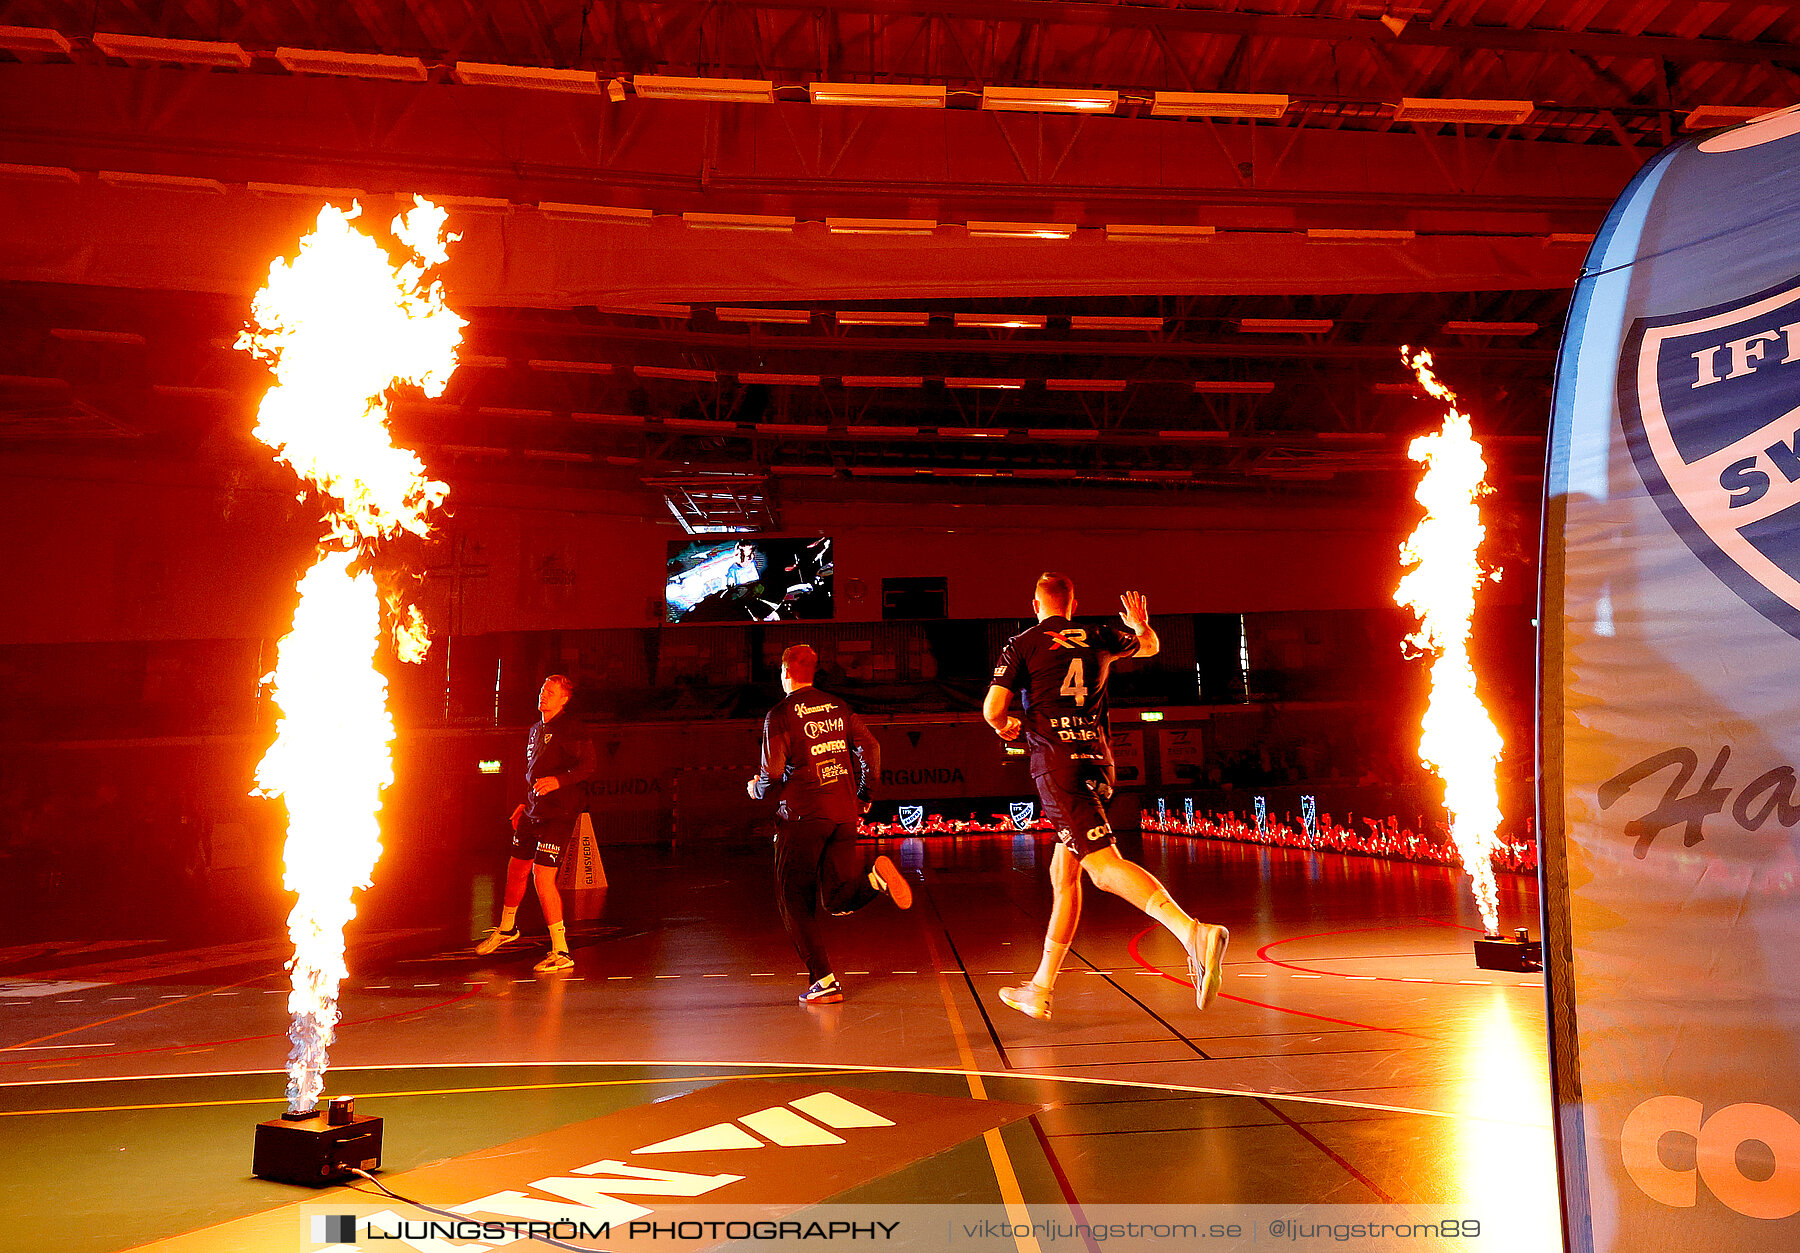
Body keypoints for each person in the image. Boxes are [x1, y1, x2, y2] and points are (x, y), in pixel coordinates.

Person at [984, 573, 1229, 1020]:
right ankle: (1040, 986)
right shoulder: (1101, 634)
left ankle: (1191, 932)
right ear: (1073, 603)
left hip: (1059, 766)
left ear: (1036, 604)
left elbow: (993, 709)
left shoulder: (1022, 643)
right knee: (1066, 877)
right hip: (1098, 761)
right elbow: (1152, 647)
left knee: (1101, 868)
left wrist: (1006, 728)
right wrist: (1141, 625)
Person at [748, 643, 911, 1004]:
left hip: (803, 816)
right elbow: (872, 748)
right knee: (837, 899)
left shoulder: (780, 714)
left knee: (793, 901)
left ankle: (824, 981)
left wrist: (756, 790)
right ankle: (875, 880)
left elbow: (772, 773)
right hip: (843, 812)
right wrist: (865, 794)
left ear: (786, 673)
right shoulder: (840, 708)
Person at [475, 675, 597, 972]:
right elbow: (532, 772)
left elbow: (589, 766)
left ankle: (561, 951)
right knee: (516, 868)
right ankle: (506, 929)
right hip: (533, 810)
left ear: (564, 699)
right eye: (542, 690)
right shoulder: (534, 729)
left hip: (559, 812)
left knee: (542, 876)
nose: (544, 695)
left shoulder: (572, 728)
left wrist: (559, 781)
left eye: (551, 692)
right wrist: (523, 801)